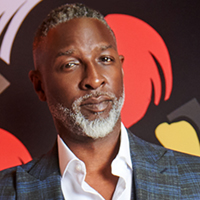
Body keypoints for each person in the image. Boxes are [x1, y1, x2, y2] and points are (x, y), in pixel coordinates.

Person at [0, 3, 200, 200]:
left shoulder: (195, 178)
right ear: (39, 85)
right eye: (70, 64)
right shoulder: (6, 190)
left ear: (121, 69)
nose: (94, 80)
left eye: (105, 59)